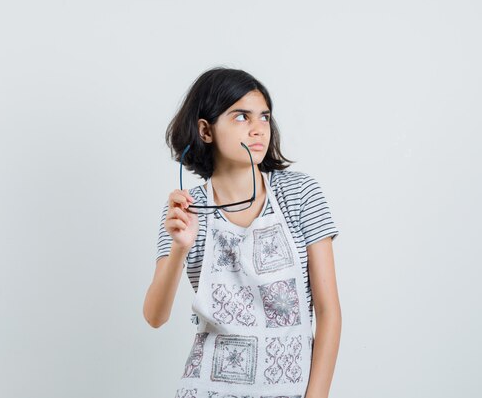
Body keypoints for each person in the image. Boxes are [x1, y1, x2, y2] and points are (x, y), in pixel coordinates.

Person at [143, 67, 341, 398]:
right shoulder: (186, 210)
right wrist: (180, 247)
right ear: (206, 130)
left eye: (264, 117)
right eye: (241, 117)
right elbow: (154, 316)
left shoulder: (299, 194)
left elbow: (329, 312)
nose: (258, 129)